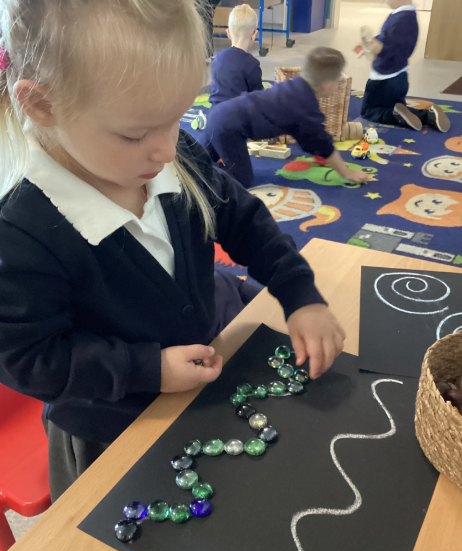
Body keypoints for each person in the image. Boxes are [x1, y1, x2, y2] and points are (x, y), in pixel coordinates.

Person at [0, 0, 345, 501]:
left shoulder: (166, 153)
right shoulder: (21, 229)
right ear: (42, 105)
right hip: (108, 428)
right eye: (136, 133)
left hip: (199, 384)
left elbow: (243, 218)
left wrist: (300, 293)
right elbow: (29, 359)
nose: (167, 149)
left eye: (178, 118)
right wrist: (147, 369)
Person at [203, 47, 371, 189]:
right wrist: (346, 172)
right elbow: (321, 141)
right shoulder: (304, 107)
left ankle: (196, 169)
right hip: (228, 129)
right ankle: (203, 179)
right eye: (337, 80)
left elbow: (310, 139)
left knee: (198, 158)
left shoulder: (296, 86)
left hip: (219, 114)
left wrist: (318, 153)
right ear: (327, 85)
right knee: (241, 180)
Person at [361, 0, 450, 132]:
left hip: (384, 78)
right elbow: (396, 41)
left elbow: (387, 47)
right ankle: (428, 116)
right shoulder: (409, 16)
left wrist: (376, 46)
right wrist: (379, 39)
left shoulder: (399, 20)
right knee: (396, 105)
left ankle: (395, 116)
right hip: (400, 75)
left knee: (369, 110)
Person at [209, 3, 263, 105]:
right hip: (238, 117)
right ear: (254, 35)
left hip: (215, 115)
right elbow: (258, 99)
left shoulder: (218, 59)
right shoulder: (252, 64)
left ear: (228, 33)